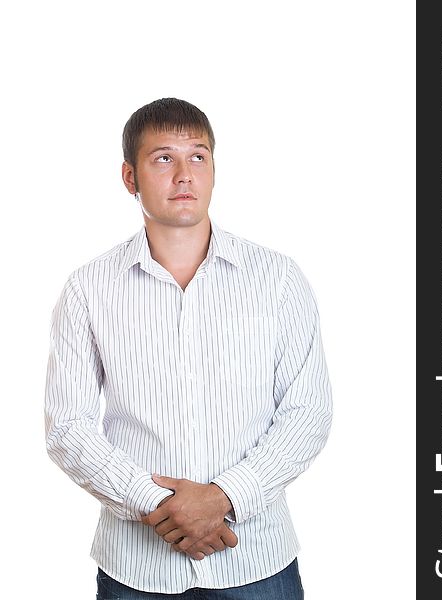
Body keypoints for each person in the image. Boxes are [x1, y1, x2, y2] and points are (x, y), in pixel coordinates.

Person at [44, 98, 333, 599]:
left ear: (214, 170)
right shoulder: (88, 290)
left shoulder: (278, 279)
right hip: (136, 569)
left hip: (256, 561)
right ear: (130, 178)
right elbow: (67, 426)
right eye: (163, 158)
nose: (184, 175)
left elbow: (308, 412)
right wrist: (156, 504)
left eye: (198, 156)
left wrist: (224, 498)